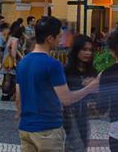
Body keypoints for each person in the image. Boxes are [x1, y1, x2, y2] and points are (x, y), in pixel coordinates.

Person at [16, 16, 99, 152]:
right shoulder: (53, 65)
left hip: (25, 128)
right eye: (59, 36)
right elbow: (66, 99)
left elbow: (18, 99)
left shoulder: (23, 63)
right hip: (48, 129)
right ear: (50, 38)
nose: (60, 40)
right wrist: (90, 87)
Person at [62, 35, 96, 152]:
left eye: (90, 50)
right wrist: (84, 85)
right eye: (84, 49)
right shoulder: (66, 70)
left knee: (82, 146)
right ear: (76, 50)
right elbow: (63, 95)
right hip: (67, 118)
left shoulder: (92, 71)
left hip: (83, 117)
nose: (88, 53)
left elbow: (95, 95)